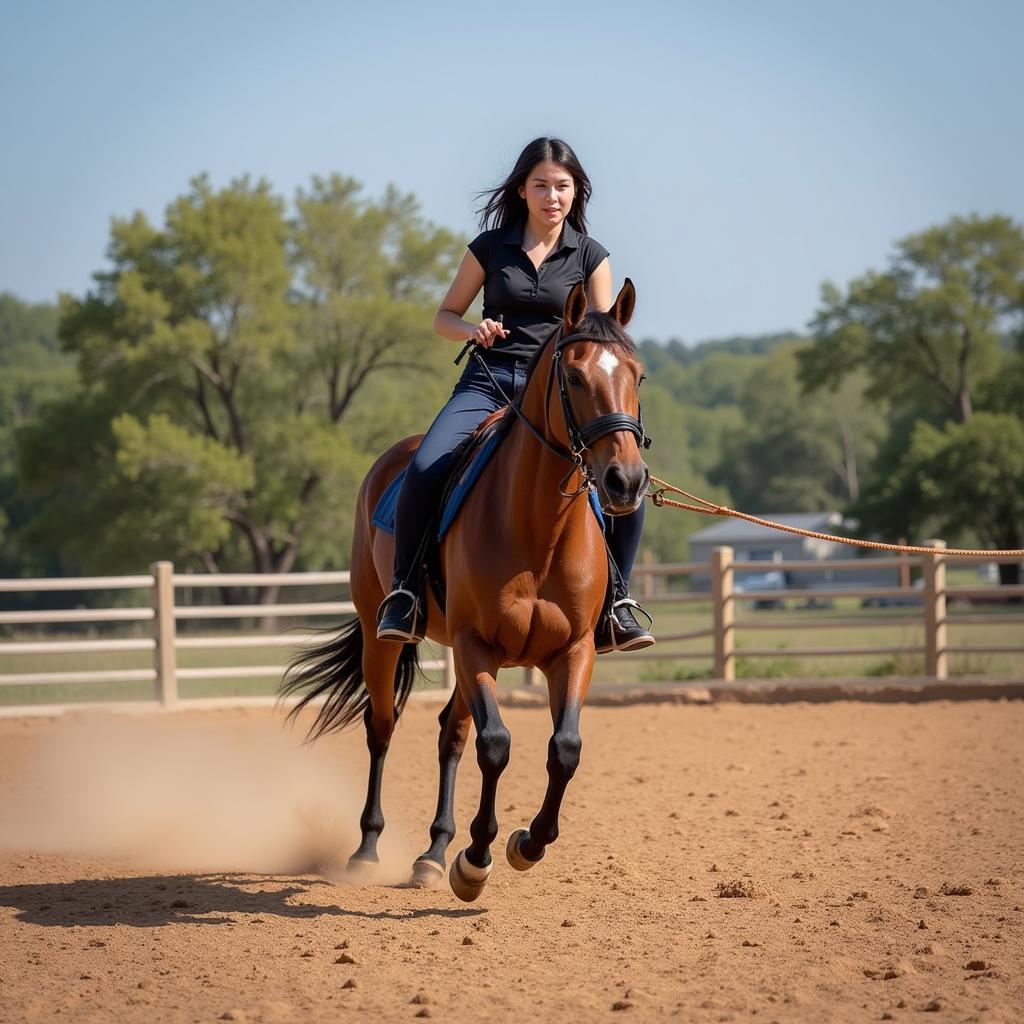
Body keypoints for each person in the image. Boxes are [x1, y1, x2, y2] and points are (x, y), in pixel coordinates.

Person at [376, 137, 653, 653]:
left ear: (576, 193)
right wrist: (471, 329)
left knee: (627, 479)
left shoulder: (592, 257)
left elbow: (602, 335)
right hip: (489, 382)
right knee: (424, 466)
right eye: (542, 186)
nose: (553, 197)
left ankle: (616, 602)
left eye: (563, 187)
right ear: (522, 190)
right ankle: (406, 593)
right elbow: (443, 317)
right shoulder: (490, 248)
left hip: (563, 397)